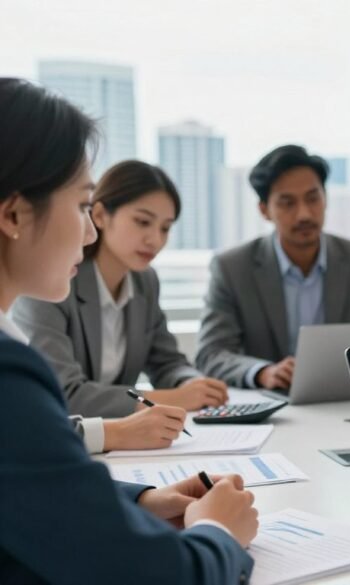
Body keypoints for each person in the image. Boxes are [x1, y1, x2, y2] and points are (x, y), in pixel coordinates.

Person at [0, 77, 257, 583]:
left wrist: (140, 500)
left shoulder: (144, 285)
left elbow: (25, 478)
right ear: (14, 213)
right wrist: (220, 534)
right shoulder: (9, 375)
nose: (90, 231)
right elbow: (163, 576)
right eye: (80, 206)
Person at [13, 160, 228, 454]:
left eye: (165, 228)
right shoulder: (51, 282)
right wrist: (174, 398)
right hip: (72, 445)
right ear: (99, 215)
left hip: (123, 450)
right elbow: (64, 393)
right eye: (142, 221)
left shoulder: (145, 282)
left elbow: (166, 361)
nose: (155, 239)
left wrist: (195, 385)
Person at [196, 144, 350, 390]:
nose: (304, 214)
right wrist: (262, 372)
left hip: (343, 402)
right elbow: (211, 353)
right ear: (264, 210)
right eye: (287, 203)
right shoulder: (232, 268)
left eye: (313, 198)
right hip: (272, 408)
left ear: (326, 199)